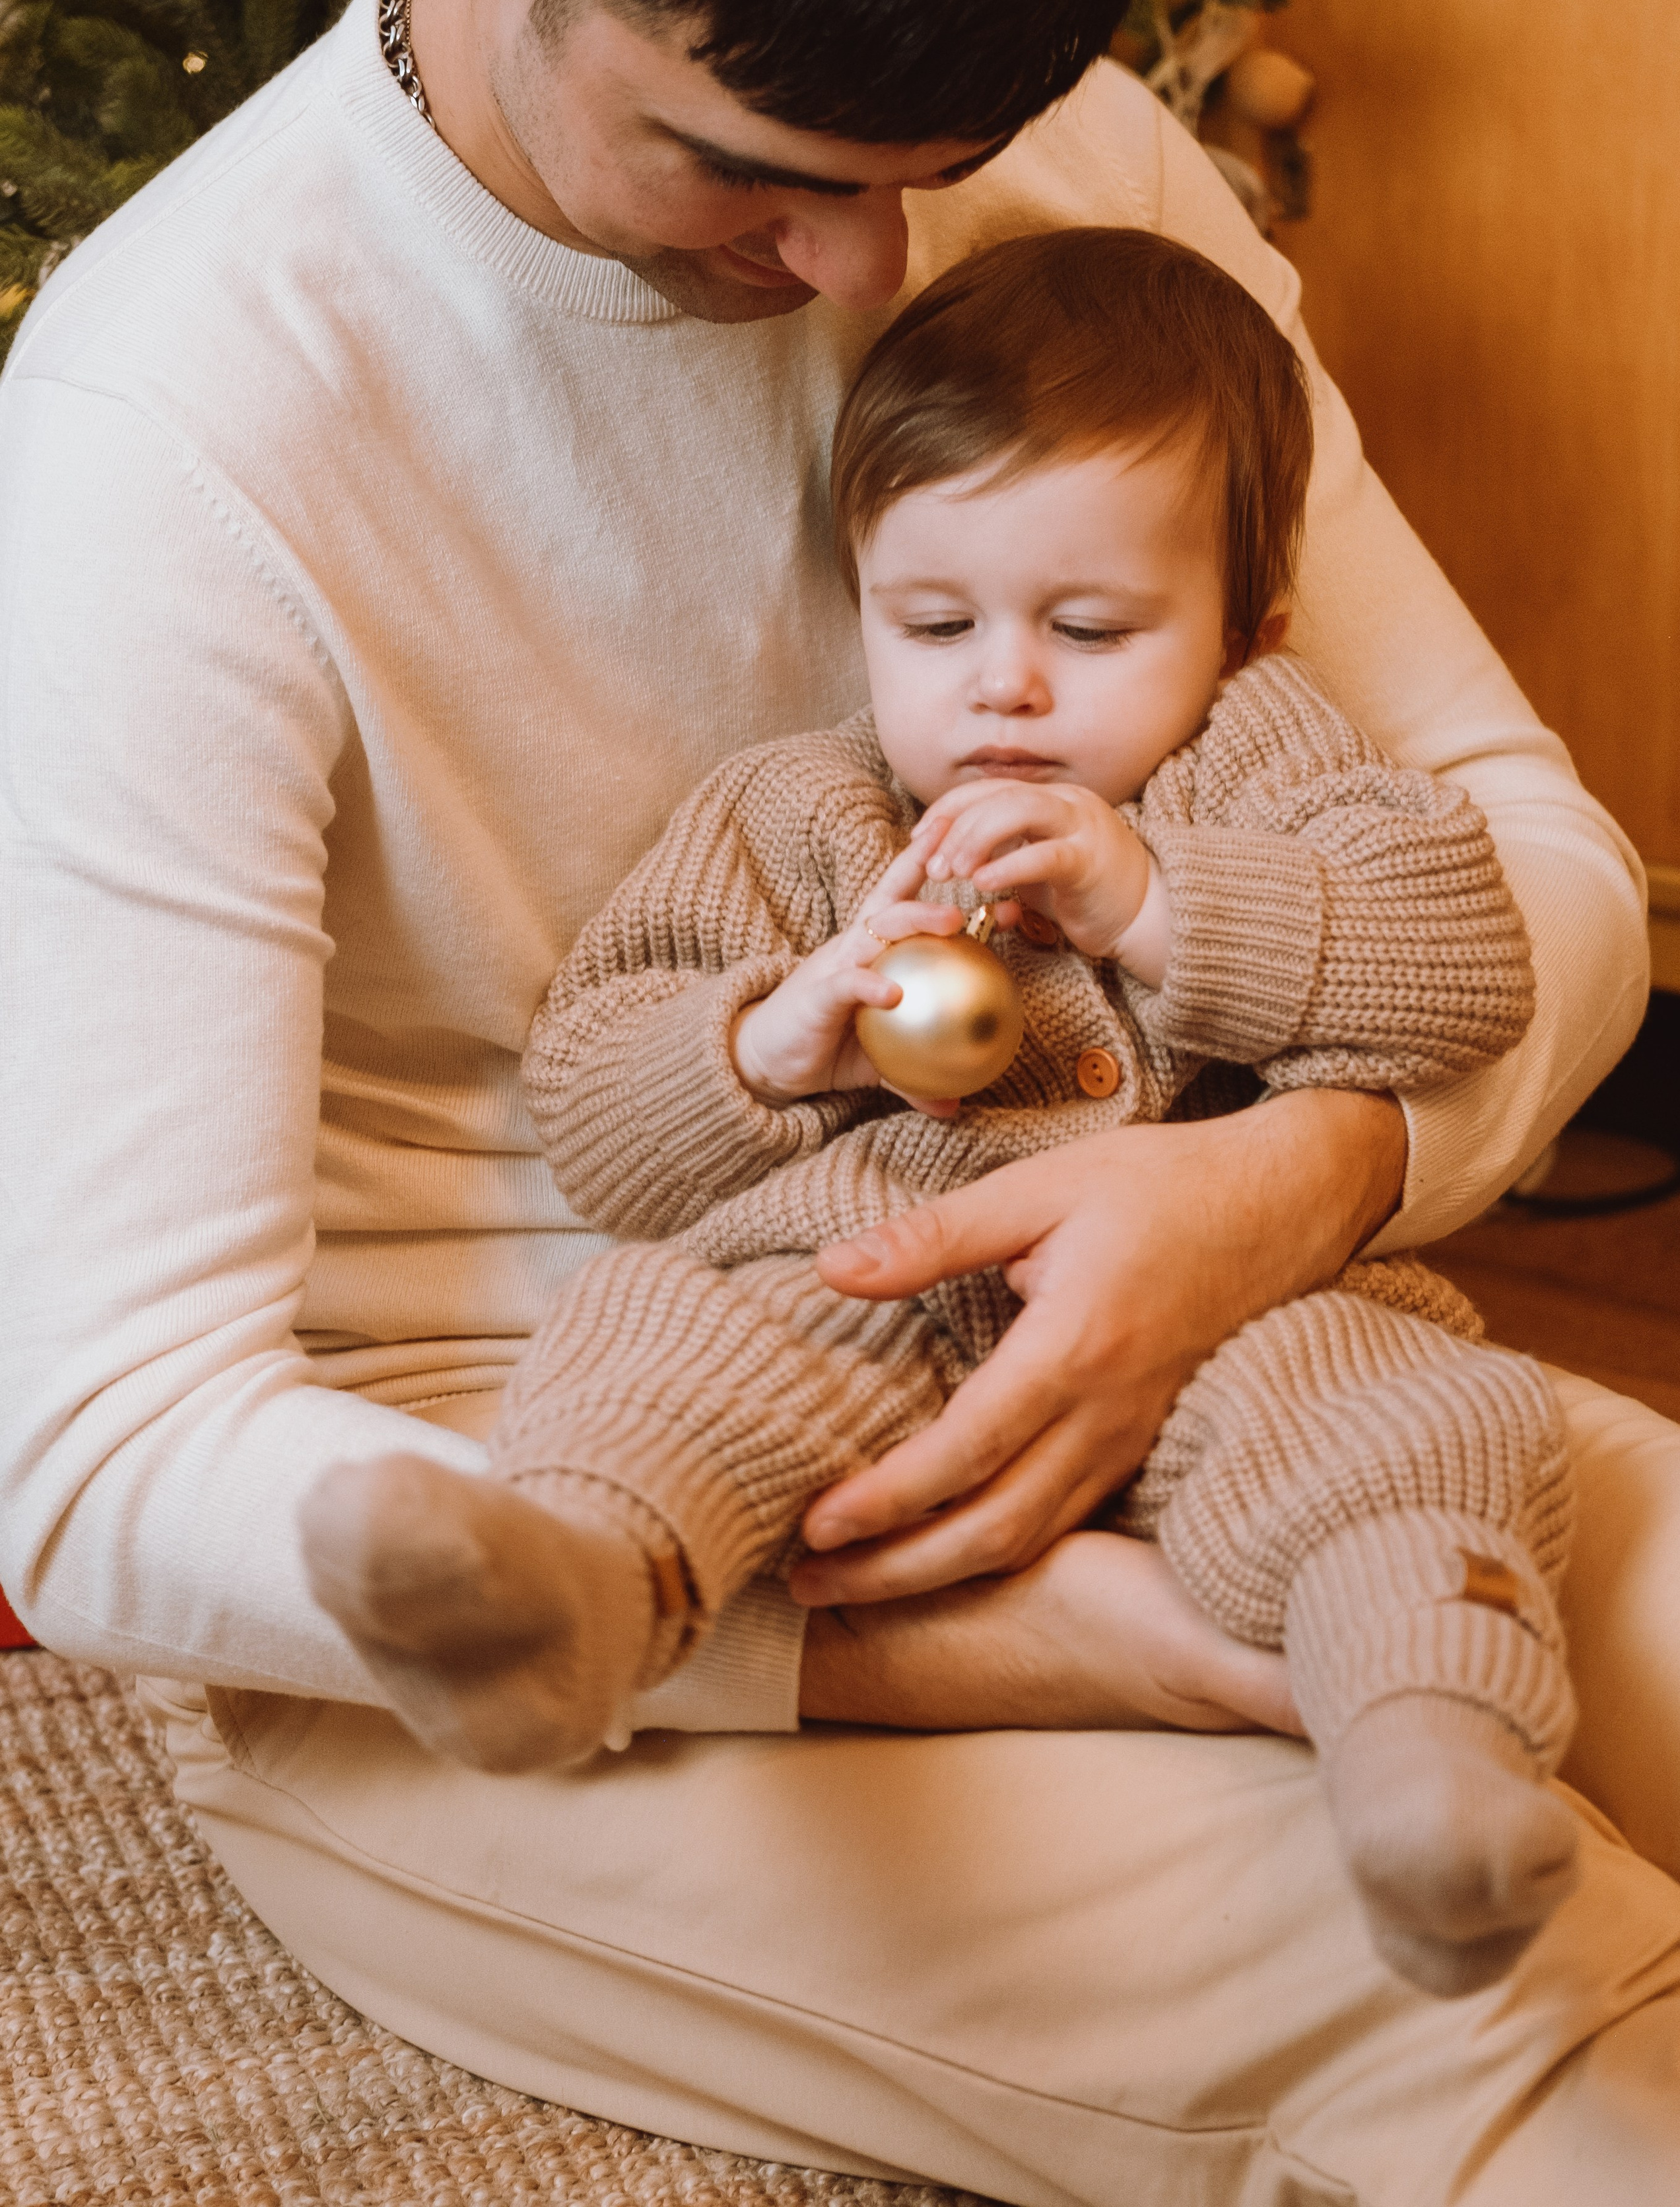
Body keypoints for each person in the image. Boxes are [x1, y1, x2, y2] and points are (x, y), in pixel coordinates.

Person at [2, 0, 1680, 2199]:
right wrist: (996, 1644)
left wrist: (1278, 1190)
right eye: (749, 164)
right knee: (1555, 2020)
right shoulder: (172, 433)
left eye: (944, 165)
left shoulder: (1093, 177)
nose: (860, 270)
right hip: (571, 1520)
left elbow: (1525, 864)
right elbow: (94, 1459)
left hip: (1234, 1346)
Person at [301, 226, 1579, 2002]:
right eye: (935, 624)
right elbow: (596, 1111)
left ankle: (1432, 1766)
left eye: (1090, 628)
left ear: (1243, 626)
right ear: (862, 612)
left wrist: (1157, 901)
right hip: (862, 1292)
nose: (1007, 685)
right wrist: (777, 1040)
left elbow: (1457, 962)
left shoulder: (1262, 760)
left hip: (1232, 1328)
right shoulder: (798, 816)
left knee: (1401, 1425)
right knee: (663, 1341)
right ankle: (569, 1599)